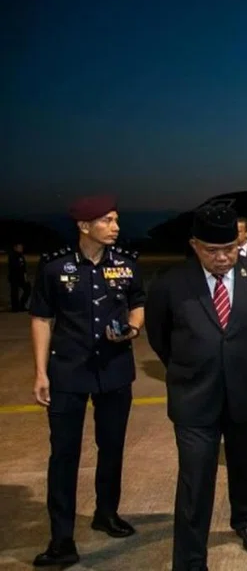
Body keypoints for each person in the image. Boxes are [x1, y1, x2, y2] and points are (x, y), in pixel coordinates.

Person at [145, 204, 247, 569]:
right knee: (195, 476)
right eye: (211, 250)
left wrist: (239, 361)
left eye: (229, 249)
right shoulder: (170, 283)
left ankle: (246, 520)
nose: (222, 258)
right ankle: (190, 558)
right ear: (194, 245)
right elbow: (159, 337)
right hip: (194, 395)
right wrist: (194, 365)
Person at [30, 196, 144, 567]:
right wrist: (41, 371)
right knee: (64, 454)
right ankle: (61, 538)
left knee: (111, 447)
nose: (116, 227)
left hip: (114, 370)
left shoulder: (126, 264)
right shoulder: (54, 266)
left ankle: (106, 513)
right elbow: (41, 318)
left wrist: (132, 329)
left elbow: (138, 303)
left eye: (117, 220)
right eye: (107, 220)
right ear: (83, 226)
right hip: (68, 372)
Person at [8, 241, 31, 311]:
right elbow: (14, 267)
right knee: (14, 293)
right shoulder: (12, 255)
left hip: (21, 277)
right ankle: (15, 307)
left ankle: (21, 305)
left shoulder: (21, 255)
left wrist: (25, 276)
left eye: (21, 247)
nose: (21, 248)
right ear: (15, 248)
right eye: (19, 247)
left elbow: (23, 267)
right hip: (14, 277)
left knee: (28, 289)